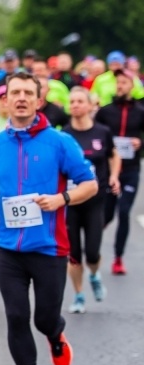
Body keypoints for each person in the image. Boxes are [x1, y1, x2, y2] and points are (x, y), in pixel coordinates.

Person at [0, 72, 98, 365]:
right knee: (16, 317)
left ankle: (55, 334)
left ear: (40, 101)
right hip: (8, 248)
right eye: (16, 93)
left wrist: (62, 198)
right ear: (6, 100)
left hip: (49, 248)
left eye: (29, 93)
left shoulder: (60, 143)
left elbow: (90, 184)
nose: (22, 98)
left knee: (43, 319)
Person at [63, 86, 121, 313]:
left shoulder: (102, 132)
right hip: (71, 200)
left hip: (97, 199)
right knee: (74, 253)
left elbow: (113, 155)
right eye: (72, 101)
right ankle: (78, 295)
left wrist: (114, 176)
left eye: (80, 101)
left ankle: (95, 274)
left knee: (93, 251)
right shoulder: (64, 135)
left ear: (89, 105)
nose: (75, 105)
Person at [95, 68, 144, 275]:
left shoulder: (140, 112)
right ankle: (91, 248)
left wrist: (139, 142)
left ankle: (118, 257)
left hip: (130, 169)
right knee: (105, 215)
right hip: (108, 170)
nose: (120, 86)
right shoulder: (106, 111)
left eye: (124, 82)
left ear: (132, 86)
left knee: (124, 212)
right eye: (118, 83)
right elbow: (94, 134)